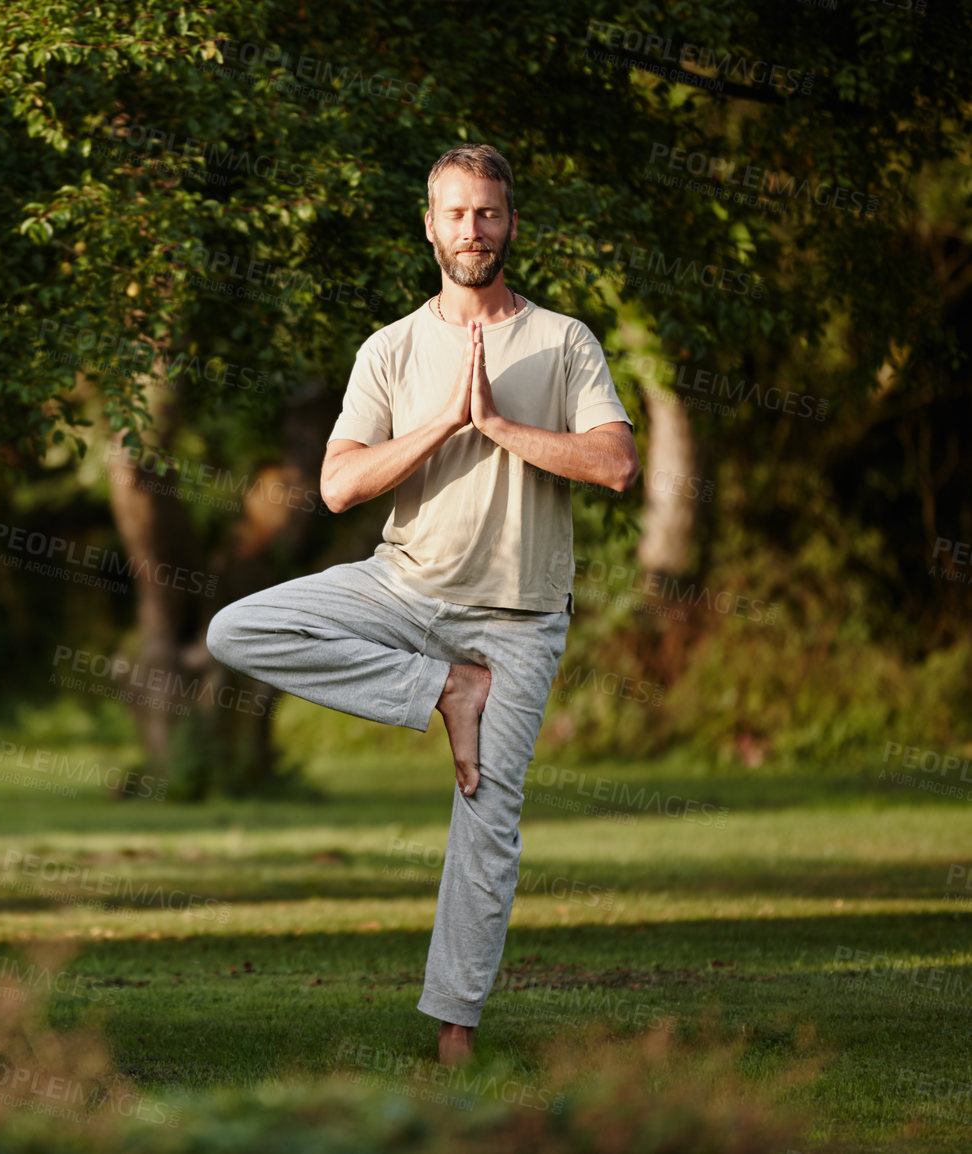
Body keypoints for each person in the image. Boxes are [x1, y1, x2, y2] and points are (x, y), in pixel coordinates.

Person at [205, 143, 640, 1067]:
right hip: (403, 588)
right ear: (429, 225)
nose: (472, 230)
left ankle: (455, 1034)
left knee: (488, 819)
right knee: (238, 627)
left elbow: (614, 464)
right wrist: (443, 419)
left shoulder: (564, 342)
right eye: (455, 214)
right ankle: (445, 690)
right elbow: (337, 488)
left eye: (488, 213)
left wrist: (498, 425)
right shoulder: (391, 348)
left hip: (519, 619)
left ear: (511, 223)